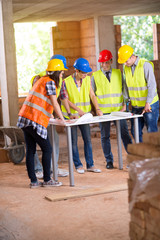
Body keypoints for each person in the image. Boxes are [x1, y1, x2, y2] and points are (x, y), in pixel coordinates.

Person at [17, 59, 68, 188]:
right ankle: (47, 179)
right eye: (61, 73)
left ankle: (33, 181)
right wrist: (62, 119)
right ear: (57, 73)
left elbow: (42, 101)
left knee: (31, 150)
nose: (62, 76)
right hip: (34, 120)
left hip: (25, 118)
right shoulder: (50, 82)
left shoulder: (41, 80)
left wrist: (50, 115)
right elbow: (54, 102)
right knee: (47, 149)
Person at [91, 49, 132, 169]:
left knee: (125, 134)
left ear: (111, 61)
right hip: (103, 111)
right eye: (102, 63)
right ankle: (109, 161)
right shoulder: (95, 76)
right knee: (105, 136)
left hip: (118, 110)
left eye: (106, 62)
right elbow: (92, 94)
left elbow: (125, 90)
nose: (104, 65)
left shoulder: (119, 73)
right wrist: (97, 109)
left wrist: (125, 104)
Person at [60, 58, 102, 174]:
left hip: (84, 117)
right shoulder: (66, 82)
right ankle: (78, 165)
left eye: (86, 72)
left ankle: (90, 165)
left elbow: (92, 95)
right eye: (83, 72)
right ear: (76, 71)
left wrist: (97, 108)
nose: (85, 75)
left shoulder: (87, 80)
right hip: (72, 117)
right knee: (73, 142)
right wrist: (78, 110)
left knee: (87, 140)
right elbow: (65, 100)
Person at [31, 54, 69, 179]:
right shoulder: (40, 78)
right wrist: (61, 118)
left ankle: (53, 168)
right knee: (35, 141)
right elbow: (38, 99)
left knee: (54, 138)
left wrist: (67, 114)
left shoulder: (60, 79)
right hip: (36, 115)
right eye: (62, 70)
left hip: (48, 115)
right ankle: (38, 169)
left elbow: (61, 98)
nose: (63, 73)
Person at [118, 45, 159, 142]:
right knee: (135, 131)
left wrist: (148, 102)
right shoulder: (126, 67)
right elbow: (127, 87)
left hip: (150, 105)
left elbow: (152, 86)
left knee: (151, 131)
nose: (125, 63)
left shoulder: (145, 65)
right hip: (136, 106)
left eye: (126, 60)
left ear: (132, 57)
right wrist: (126, 103)